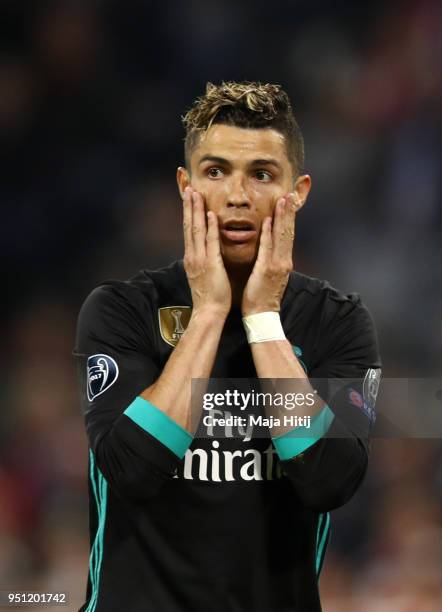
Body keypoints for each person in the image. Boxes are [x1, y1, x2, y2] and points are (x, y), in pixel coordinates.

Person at [75, 81, 381, 612]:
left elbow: (330, 480)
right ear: (185, 184)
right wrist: (210, 313)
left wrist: (262, 319)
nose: (238, 197)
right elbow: (131, 469)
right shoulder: (121, 310)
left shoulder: (338, 322)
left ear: (299, 191)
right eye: (216, 172)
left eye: (262, 174)